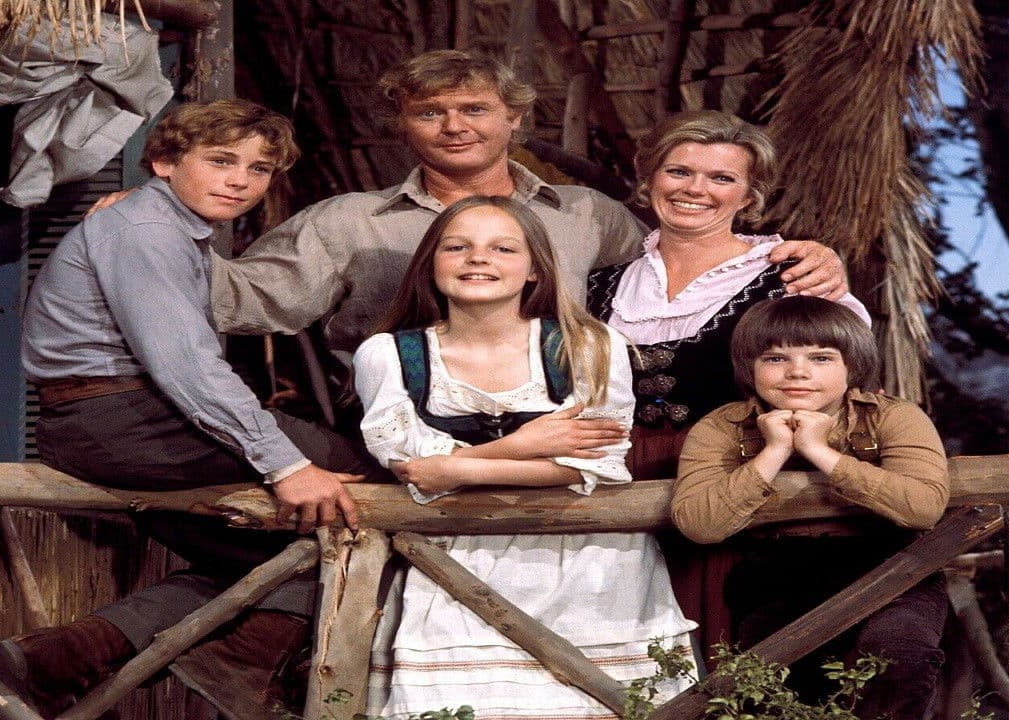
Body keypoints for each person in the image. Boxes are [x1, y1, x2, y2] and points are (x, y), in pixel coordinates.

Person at [0, 100, 386, 719]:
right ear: (164, 162)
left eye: (259, 169)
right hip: (125, 419)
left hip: (114, 422)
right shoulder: (145, 231)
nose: (241, 181)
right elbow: (187, 365)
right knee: (371, 489)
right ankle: (242, 661)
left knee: (275, 557)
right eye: (221, 161)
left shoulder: (165, 227)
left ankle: (70, 652)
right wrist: (286, 465)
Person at [204, 50, 848, 362]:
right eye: (430, 112)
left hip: (569, 436)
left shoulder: (586, 214)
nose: (454, 126)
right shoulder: (348, 222)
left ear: (513, 118)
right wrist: (163, 226)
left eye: (475, 109)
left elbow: (679, 271)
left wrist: (803, 258)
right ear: (401, 123)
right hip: (397, 434)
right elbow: (237, 299)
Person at [353, 196, 696, 719]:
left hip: (590, 563)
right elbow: (409, 465)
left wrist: (456, 467)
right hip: (455, 560)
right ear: (430, 264)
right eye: (457, 247)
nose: (478, 258)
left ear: (535, 269)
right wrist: (520, 446)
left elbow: (597, 466)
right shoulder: (389, 355)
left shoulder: (587, 345)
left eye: (503, 248)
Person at [584, 110, 871, 651]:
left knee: (730, 646)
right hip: (616, 483)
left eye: (721, 178)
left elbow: (839, 383)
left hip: (736, 478)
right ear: (649, 178)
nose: (696, 189)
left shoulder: (791, 276)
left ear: (749, 195)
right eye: (679, 171)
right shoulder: (600, 284)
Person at [672, 295, 949, 720]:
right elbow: (699, 524)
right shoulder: (722, 428)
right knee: (778, 694)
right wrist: (774, 451)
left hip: (893, 568)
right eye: (775, 358)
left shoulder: (893, 417)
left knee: (898, 656)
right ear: (749, 367)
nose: (797, 372)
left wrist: (819, 451)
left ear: (852, 366)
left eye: (821, 358)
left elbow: (923, 508)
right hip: (777, 575)